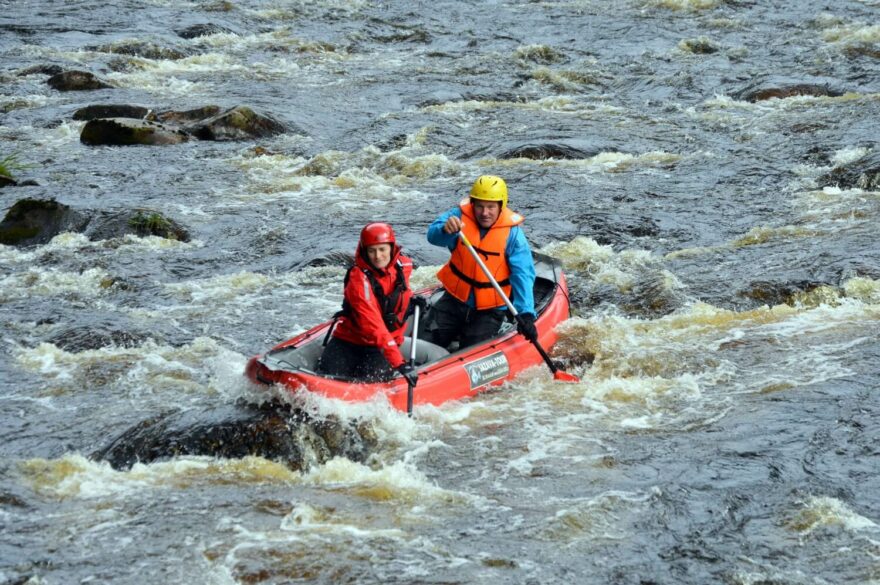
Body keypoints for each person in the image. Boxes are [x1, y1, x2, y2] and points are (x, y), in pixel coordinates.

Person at [423, 175, 538, 349]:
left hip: (489, 310)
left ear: (501, 206)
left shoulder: (513, 235)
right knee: (424, 343)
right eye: (480, 206)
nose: (485, 213)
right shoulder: (457, 217)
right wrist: (445, 230)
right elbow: (433, 237)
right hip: (454, 300)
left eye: (491, 207)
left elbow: (522, 274)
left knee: (471, 351)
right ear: (472, 204)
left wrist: (526, 313)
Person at [317, 222, 420, 386]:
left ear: (392, 248)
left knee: (372, 383)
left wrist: (412, 298)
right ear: (364, 251)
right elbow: (373, 324)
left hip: (381, 347)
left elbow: (396, 292)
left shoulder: (404, 266)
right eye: (372, 251)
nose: (378, 256)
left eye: (382, 249)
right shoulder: (358, 279)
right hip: (348, 342)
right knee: (327, 382)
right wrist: (399, 363)